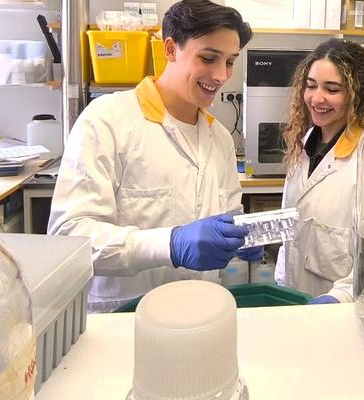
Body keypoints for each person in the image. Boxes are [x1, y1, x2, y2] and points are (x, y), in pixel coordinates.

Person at [48, 0, 263, 313]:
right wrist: (170, 244)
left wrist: (241, 238)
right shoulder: (107, 120)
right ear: (171, 49)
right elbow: (70, 238)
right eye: (208, 58)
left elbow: (228, 215)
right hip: (124, 318)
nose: (220, 75)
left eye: (230, 61)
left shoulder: (219, 138)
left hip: (201, 313)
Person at [274, 39, 364, 303]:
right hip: (296, 299)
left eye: (332, 89)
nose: (317, 98)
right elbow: (293, 232)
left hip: (341, 310)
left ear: (356, 94)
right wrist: (281, 279)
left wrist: (340, 298)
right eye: (311, 86)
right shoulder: (305, 142)